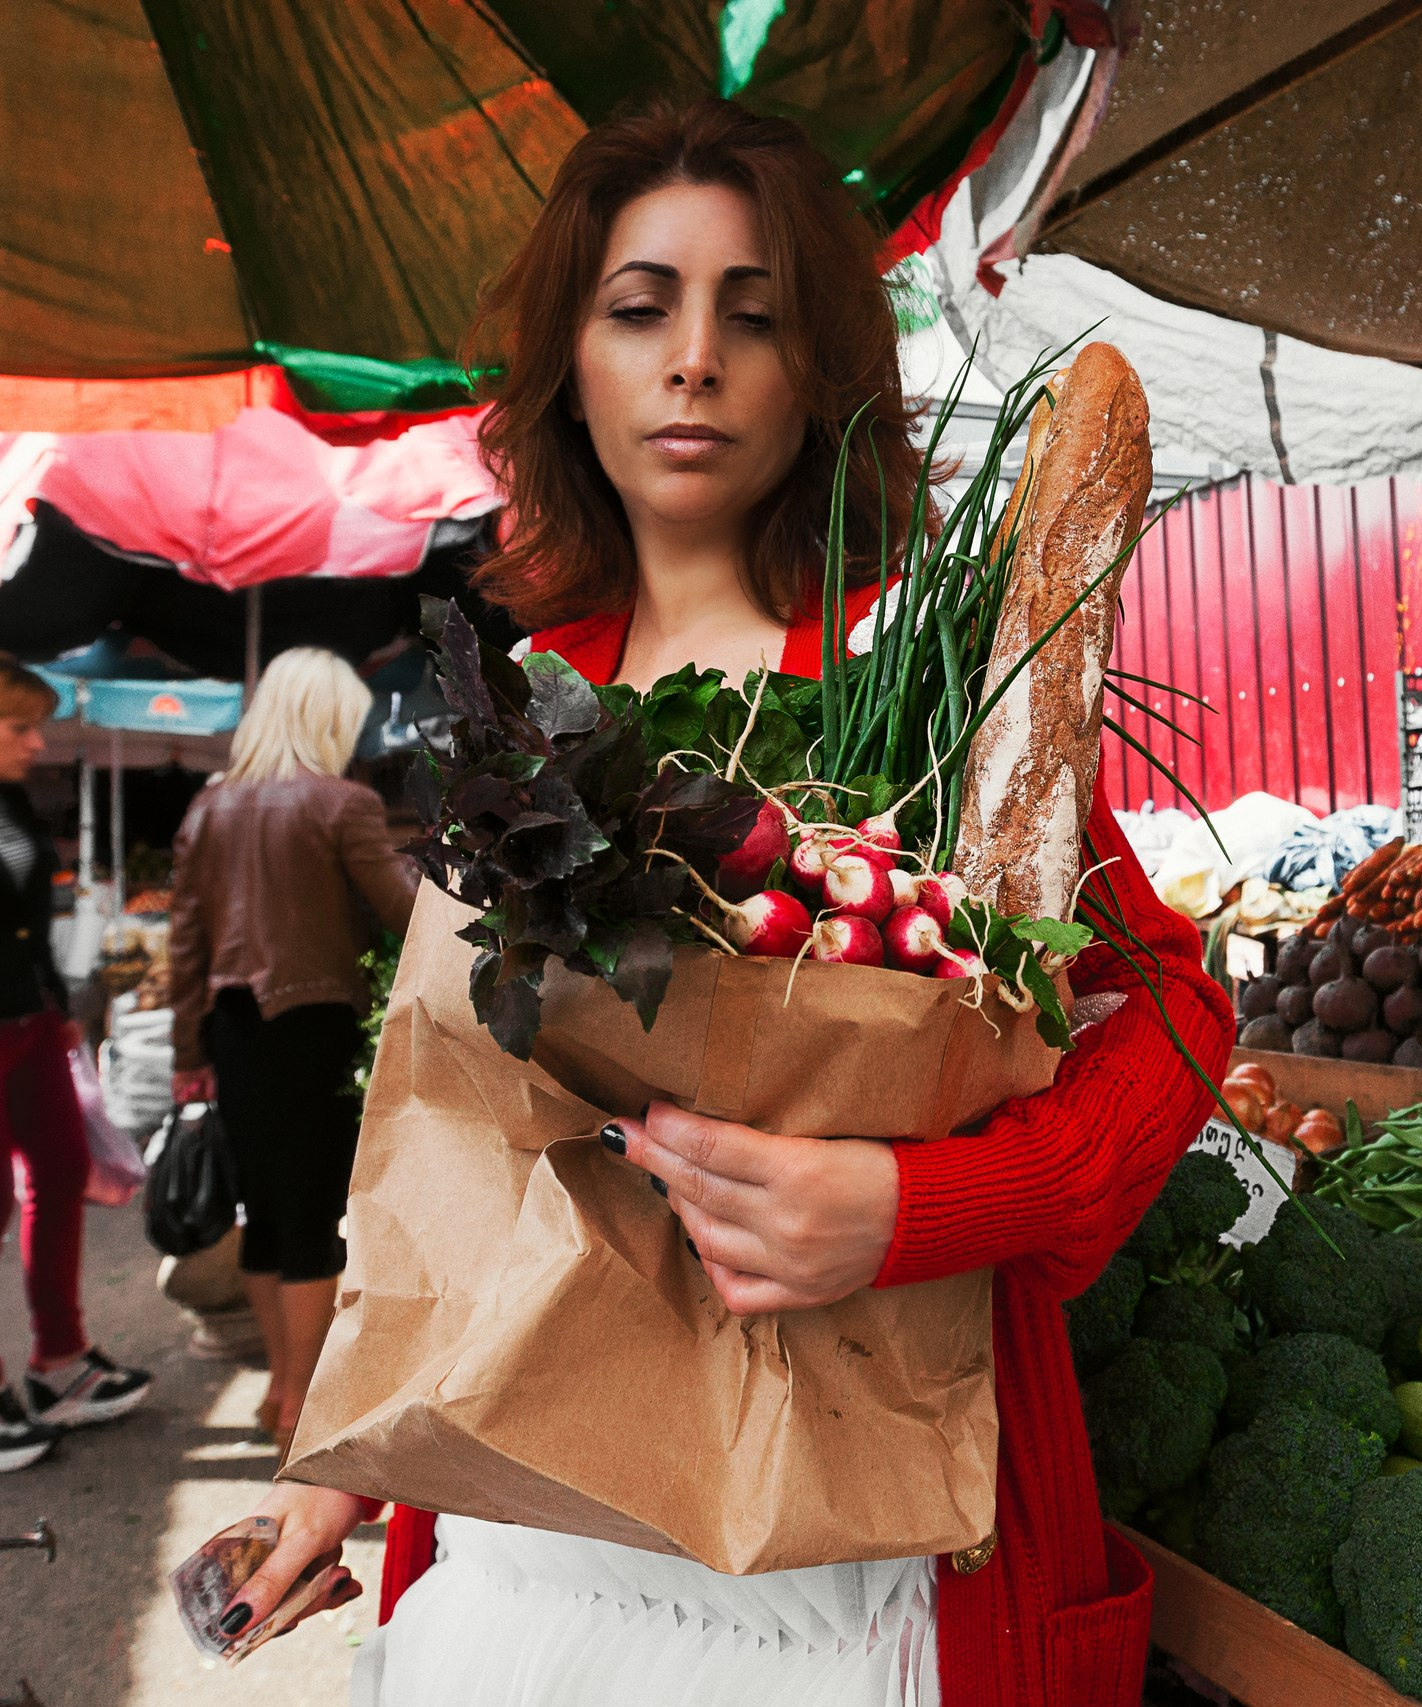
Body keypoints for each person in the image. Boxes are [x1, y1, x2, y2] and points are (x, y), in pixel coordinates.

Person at [200, 99, 1228, 1707]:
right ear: (573, 368)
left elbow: (1172, 1010)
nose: (694, 359)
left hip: (863, 1585)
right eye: (639, 308)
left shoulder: (930, 686)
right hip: (525, 1581)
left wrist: (919, 1208)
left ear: (817, 372)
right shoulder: (528, 704)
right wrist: (345, 1463)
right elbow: (473, 1155)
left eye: (751, 316)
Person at [167, 647, 418, 1445]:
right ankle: (299, 1400)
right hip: (315, 1025)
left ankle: (282, 1381)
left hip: (233, 1031)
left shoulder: (208, 807)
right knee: (314, 1215)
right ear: (328, 720)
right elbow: (403, 914)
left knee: (268, 1216)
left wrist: (184, 1054)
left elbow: (184, 943)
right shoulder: (344, 803)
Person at [0, 657, 153, 1470]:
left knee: (60, 1173)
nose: (38, 739)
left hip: (30, 1023)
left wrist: (57, 1006)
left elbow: (29, 924)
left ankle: (58, 1361)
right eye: (20, 725)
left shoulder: (15, 800)